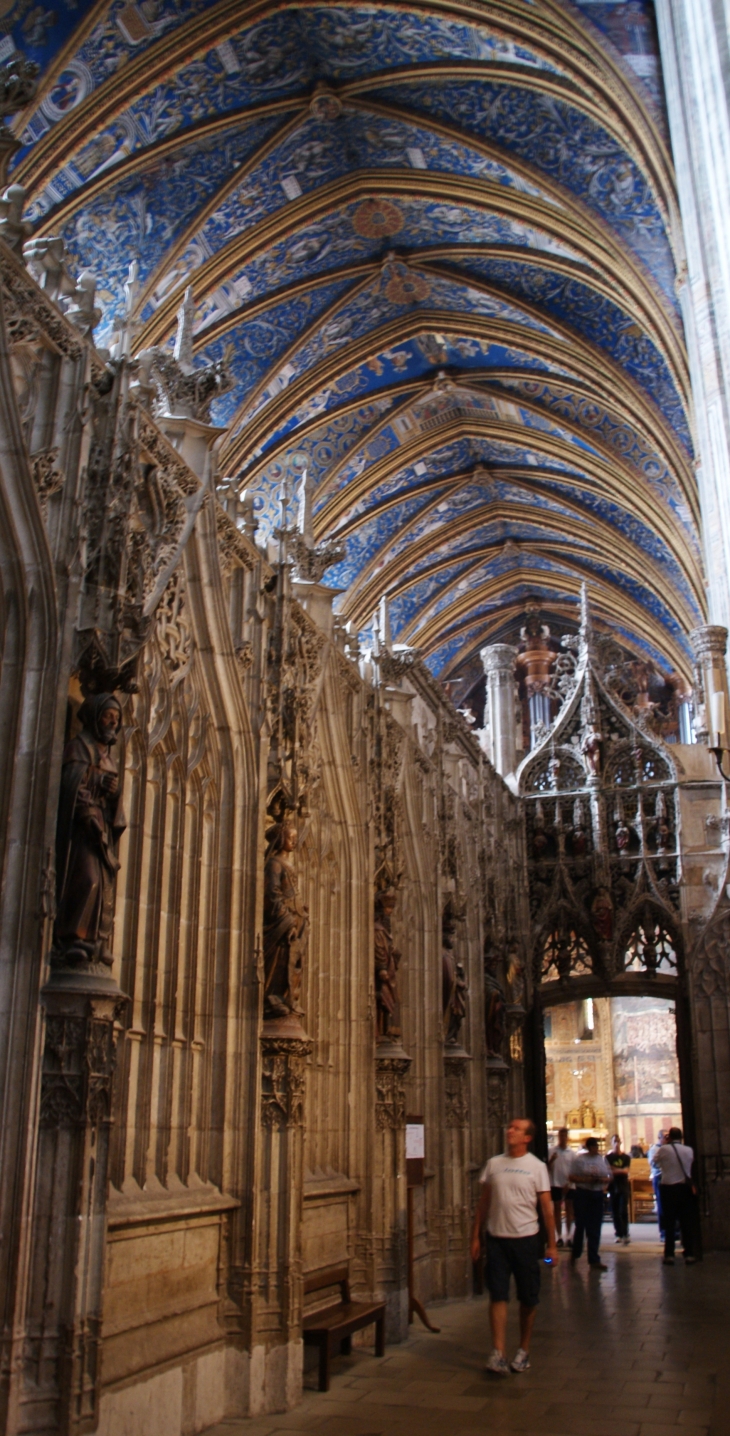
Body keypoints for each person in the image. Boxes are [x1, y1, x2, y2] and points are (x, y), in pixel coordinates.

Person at [470, 1117, 557, 1377]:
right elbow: (483, 1203)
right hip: (497, 1238)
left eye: (516, 1129)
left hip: (526, 1240)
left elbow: (547, 1208)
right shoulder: (494, 1164)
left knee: (528, 1298)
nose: (510, 1130)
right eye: (509, 1127)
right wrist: (476, 1236)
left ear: (527, 1137)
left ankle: (523, 1349)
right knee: (497, 1294)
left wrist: (552, 1245)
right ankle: (498, 1352)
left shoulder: (537, 1167)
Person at [653, 1126, 697, 1265]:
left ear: (669, 1137)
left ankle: (669, 1254)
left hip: (668, 1188)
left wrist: (665, 1146)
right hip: (684, 1188)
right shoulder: (689, 1150)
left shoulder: (664, 1149)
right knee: (686, 1221)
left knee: (669, 1222)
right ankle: (689, 1253)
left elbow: (654, 1162)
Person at [570, 1137, 610, 1270]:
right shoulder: (580, 1160)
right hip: (583, 1194)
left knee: (595, 1227)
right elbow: (571, 1176)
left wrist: (603, 1180)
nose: (595, 1149)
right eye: (593, 1146)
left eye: (596, 1146)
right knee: (581, 1225)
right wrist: (586, 1179)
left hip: (596, 1195)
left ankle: (594, 1259)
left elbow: (608, 1175)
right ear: (588, 1147)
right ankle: (576, 1252)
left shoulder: (601, 1159)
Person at [547, 1128, 574, 1246]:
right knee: (557, 1210)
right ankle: (558, 1237)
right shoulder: (552, 1151)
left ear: (567, 1137)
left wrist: (569, 1183)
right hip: (555, 1183)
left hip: (569, 1184)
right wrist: (551, 1160)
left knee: (569, 1209)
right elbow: (546, 1167)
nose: (563, 1138)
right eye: (561, 1135)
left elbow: (574, 1170)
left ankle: (569, 1236)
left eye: (565, 1135)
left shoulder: (572, 1153)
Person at [606, 1133, 631, 1244]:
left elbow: (626, 1171)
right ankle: (618, 1234)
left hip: (624, 1186)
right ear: (611, 1143)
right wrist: (619, 1170)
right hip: (613, 1186)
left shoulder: (626, 1157)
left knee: (623, 1210)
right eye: (614, 1141)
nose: (616, 1144)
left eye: (618, 1141)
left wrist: (614, 1169)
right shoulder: (608, 1158)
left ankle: (625, 1233)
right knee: (615, 1211)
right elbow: (608, 1170)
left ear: (620, 1143)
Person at [648, 1131, 667, 1241]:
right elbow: (654, 1163)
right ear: (659, 1138)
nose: (666, 1139)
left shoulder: (670, 1148)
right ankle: (663, 1232)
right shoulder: (654, 1149)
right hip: (659, 1177)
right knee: (662, 1205)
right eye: (665, 1137)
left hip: (668, 1177)